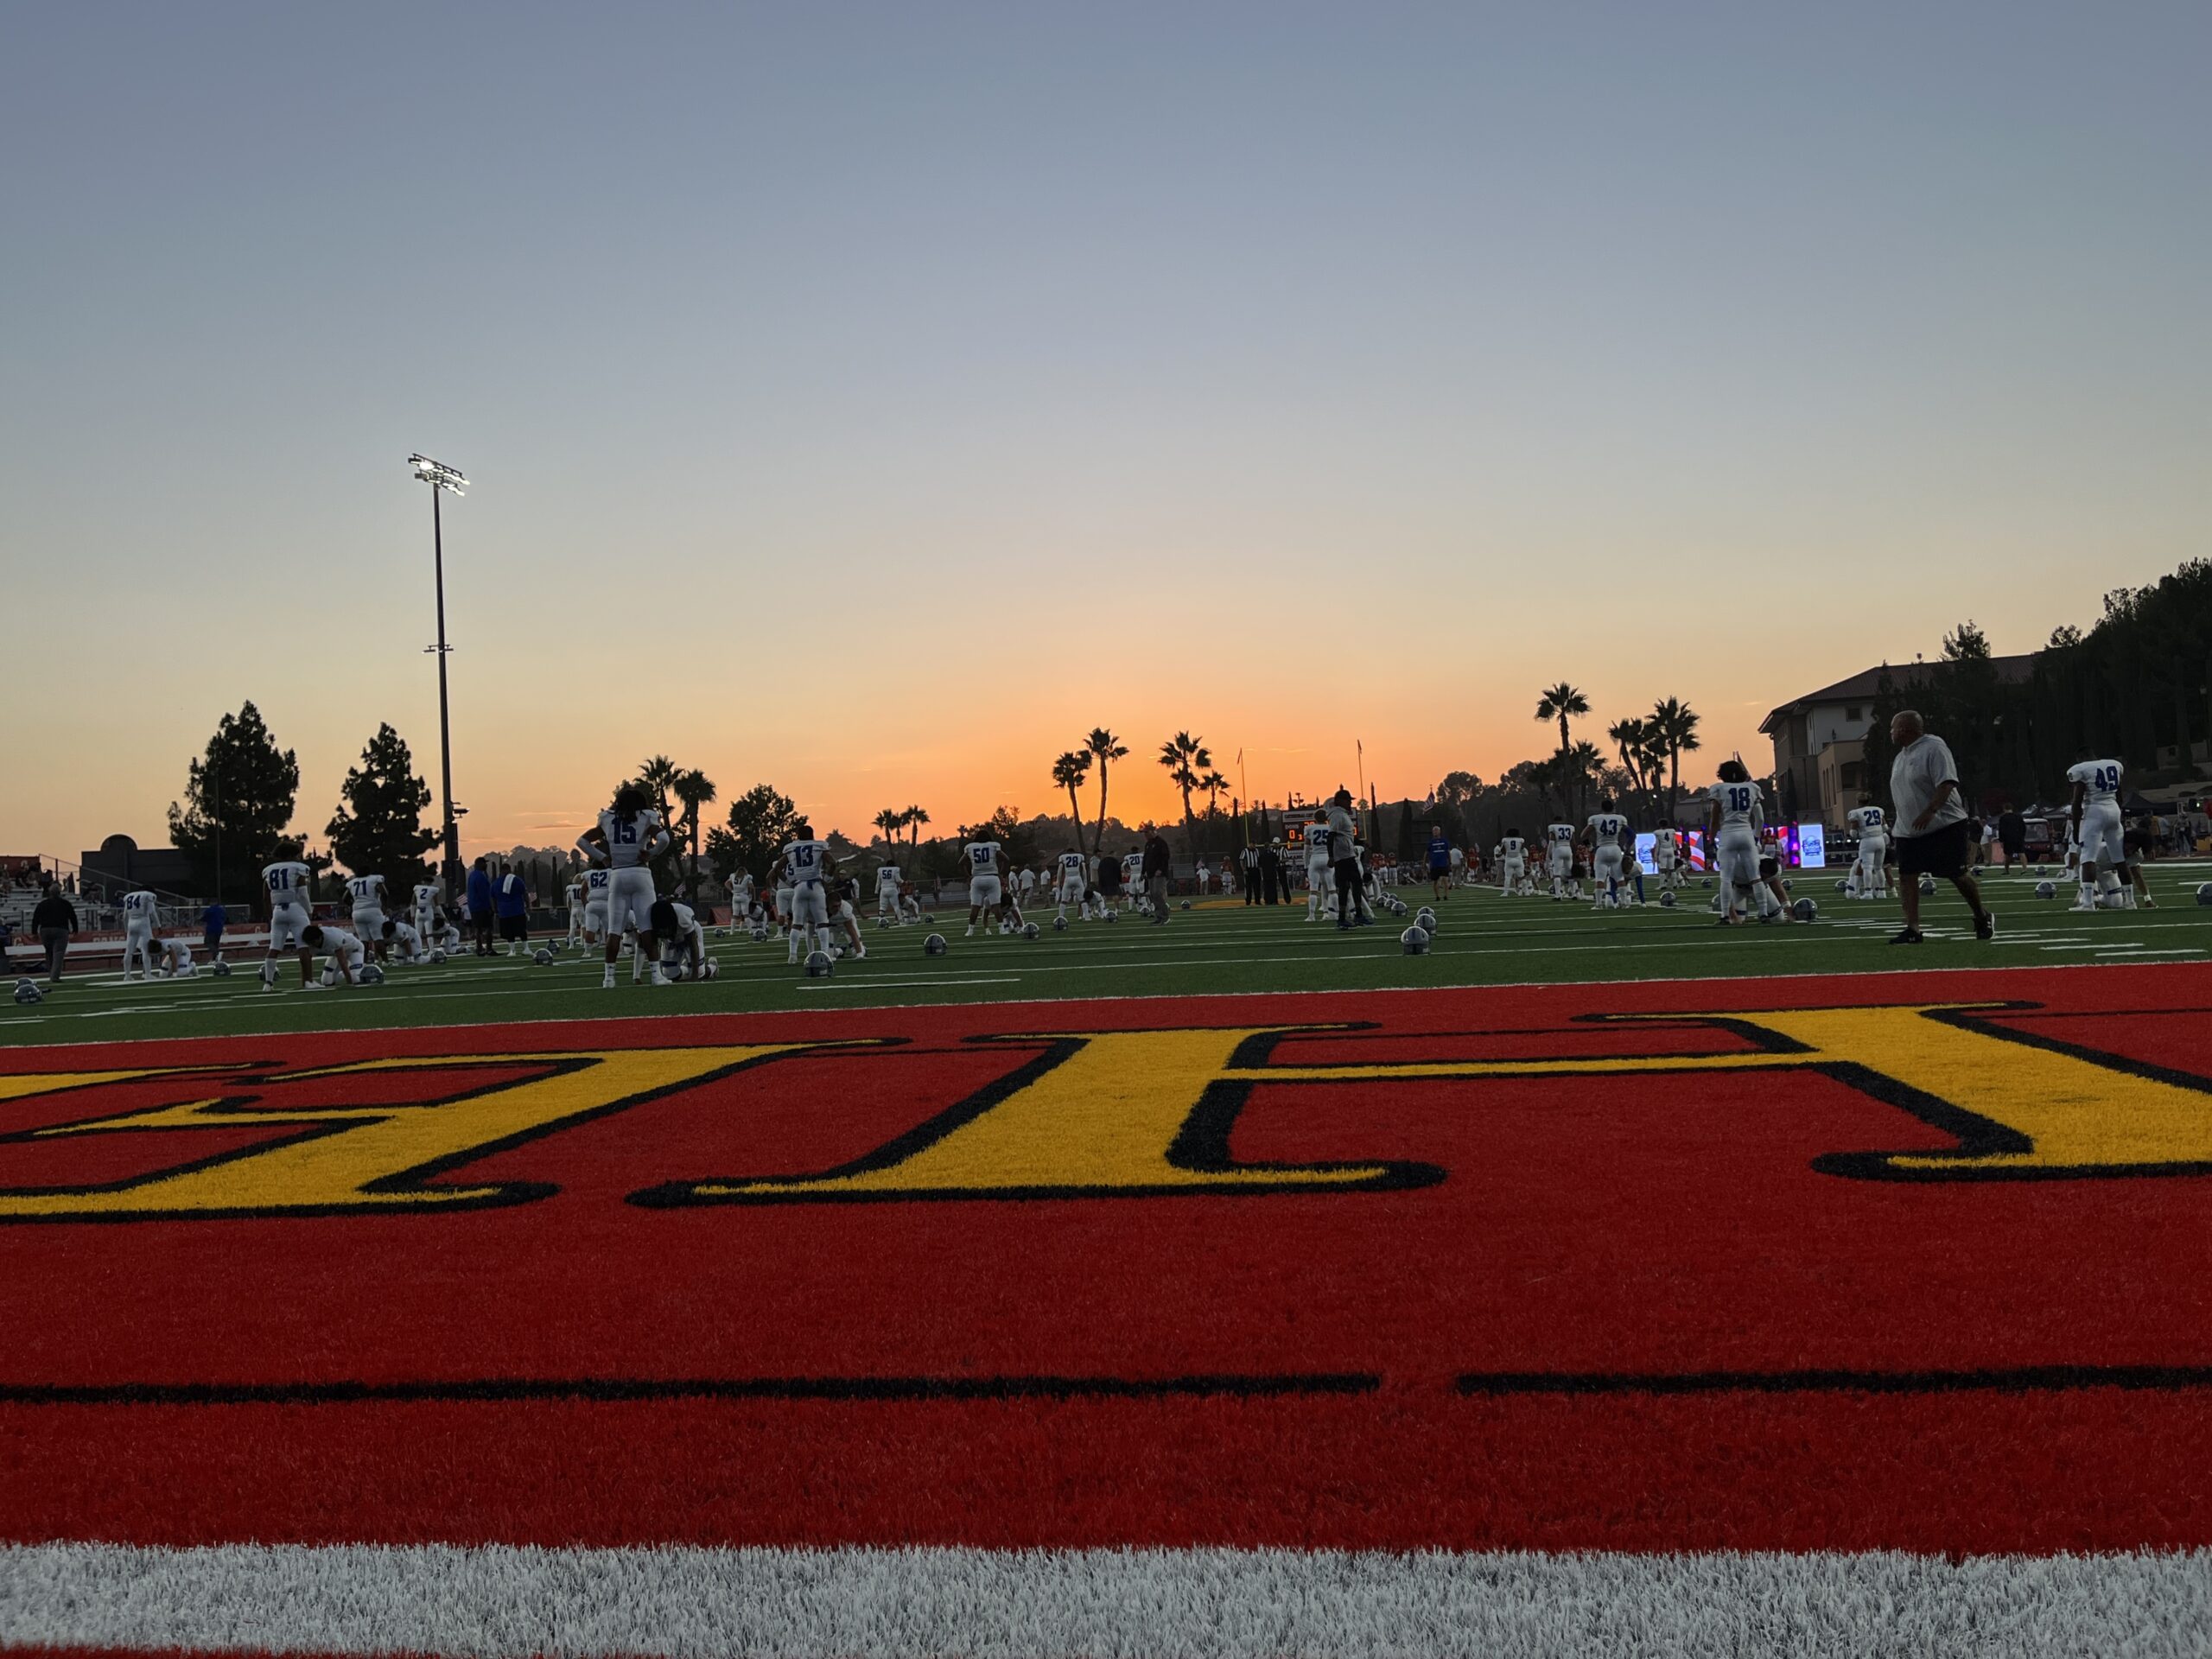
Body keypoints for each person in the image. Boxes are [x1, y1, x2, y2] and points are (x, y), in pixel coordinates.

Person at [1888, 709, 1994, 944]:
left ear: (1905, 729)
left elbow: (1946, 783)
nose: (1891, 733)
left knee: (1956, 874)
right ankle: (1913, 929)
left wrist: (1930, 810)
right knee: (1907, 876)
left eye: (1893, 728)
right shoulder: (1901, 756)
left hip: (1943, 824)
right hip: (1908, 829)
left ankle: (1981, 915)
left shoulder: (1934, 747)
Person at [575, 784, 673, 988]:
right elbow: (664, 838)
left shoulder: (607, 818)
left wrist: (603, 858)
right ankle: (656, 975)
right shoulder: (647, 816)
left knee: (614, 930)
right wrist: (652, 853)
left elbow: (582, 841)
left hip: (617, 875)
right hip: (640, 873)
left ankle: (609, 979)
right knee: (646, 927)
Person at [1704, 762, 1767, 925]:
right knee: (1755, 877)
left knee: (1726, 878)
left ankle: (1725, 915)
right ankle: (1764, 913)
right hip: (1746, 832)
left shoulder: (1719, 789)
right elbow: (1760, 818)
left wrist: (1711, 838)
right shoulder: (1752, 788)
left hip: (1728, 833)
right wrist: (1756, 837)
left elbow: (1715, 817)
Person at [2066, 753, 2128, 912]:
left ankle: (2088, 903)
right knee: (2120, 859)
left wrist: (2076, 828)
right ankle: (2130, 901)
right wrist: (2120, 815)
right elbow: (2120, 794)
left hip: (2095, 811)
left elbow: (2077, 802)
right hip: (2113, 808)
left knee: (2087, 858)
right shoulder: (2113, 764)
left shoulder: (2080, 770)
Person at [781, 820, 845, 963]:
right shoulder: (818, 846)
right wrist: (827, 878)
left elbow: (777, 869)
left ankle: (792, 955)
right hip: (815, 885)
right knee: (822, 923)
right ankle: (824, 953)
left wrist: (790, 882)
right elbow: (833, 863)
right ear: (812, 835)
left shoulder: (791, 848)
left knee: (797, 923)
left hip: (799, 887)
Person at [262, 855, 315, 991]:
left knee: (274, 948)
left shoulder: (269, 870)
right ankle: (308, 982)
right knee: (303, 947)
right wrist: (309, 910)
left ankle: (268, 983)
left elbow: (265, 897)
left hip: (278, 909)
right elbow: (303, 893)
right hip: (296, 908)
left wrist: (270, 914)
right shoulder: (298, 868)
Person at [1326, 788, 1371, 931]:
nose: (1350, 803)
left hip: (1344, 854)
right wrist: (1331, 856)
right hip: (1344, 855)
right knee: (1356, 882)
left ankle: (1343, 918)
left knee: (1345, 886)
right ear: (1340, 801)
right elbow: (1331, 836)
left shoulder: (1341, 814)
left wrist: (1362, 843)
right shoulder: (1338, 815)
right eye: (1347, 800)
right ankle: (1357, 914)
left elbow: (1345, 835)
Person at [963, 831, 1014, 939]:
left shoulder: (971, 847)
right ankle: (1001, 929)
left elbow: (961, 862)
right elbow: (1006, 859)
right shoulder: (993, 846)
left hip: (976, 879)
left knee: (975, 907)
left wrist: (968, 875)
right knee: (996, 906)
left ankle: (970, 931)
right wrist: (1000, 873)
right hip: (992, 877)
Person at [1584, 800, 1632, 911]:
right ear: (1613, 808)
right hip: (1615, 849)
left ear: (1602, 808)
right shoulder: (1620, 818)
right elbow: (1632, 834)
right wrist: (1626, 846)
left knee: (1600, 878)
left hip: (1601, 849)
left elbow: (1583, 835)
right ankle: (1624, 903)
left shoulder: (1595, 818)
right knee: (1620, 877)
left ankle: (1598, 904)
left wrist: (1589, 846)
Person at [31, 884, 77, 986]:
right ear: (59, 893)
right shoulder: (65, 904)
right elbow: (73, 916)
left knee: (49, 952)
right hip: (61, 930)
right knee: (59, 953)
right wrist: (75, 930)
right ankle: (54, 976)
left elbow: (36, 918)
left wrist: (34, 932)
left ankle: (50, 971)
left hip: (45, 930)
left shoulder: (42, 904)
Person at [298, 921, 365, 988]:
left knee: (355, 979)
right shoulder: (307, 945)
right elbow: (305, 962)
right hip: (335, 954)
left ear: (320, 937)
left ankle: (366, 970)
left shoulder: (333, 938)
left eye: (313, 942)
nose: (312, 945)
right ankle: (345, 974)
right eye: (310, 943)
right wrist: (307, 981)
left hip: (353, 950)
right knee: (326, 981)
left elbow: (343, 962)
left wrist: (349, 983)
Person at [1845, 800, 1891, 898]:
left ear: (1858, 802)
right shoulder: (1878, 810)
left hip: (1867, 841)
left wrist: (1858, 834)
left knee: (1867, 868)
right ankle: (1882, 892)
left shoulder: (1856, 813)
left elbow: (1853, 833)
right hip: (1880, 839)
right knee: (1879, 868)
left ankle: (1868, 892)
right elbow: (1886, 827)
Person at [119, 888, 162, 981]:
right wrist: (158, 925)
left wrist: (126, 929)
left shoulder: (129, 896)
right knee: (145, 950)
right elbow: (152, 912)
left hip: (131, 923)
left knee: (129, 951)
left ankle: (127, 975)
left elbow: (124, 916)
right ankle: (148, 974)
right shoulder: (147, 895)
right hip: (143, 922)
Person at [346, 872, 390, 960]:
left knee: (363, 939)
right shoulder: (374, 879)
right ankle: (386, 961)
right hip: (372, 910)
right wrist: (385, 906)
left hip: (357, 912)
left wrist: (354, 905)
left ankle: (364, 962)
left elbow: (345, 898)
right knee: (378, 937)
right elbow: (384, 893)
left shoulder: (352, 882)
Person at [1302, 811, 1333, 922]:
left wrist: (1305, 865)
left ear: (1315, 818)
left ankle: (1312, 915)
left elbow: (1306, 850)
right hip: (1328, 857)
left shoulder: (1310, 828)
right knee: (1332, 889)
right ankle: (1332, 913)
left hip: (1315, 858)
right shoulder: (1331, 827)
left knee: (1313, 889)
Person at [495, 868, 531, 956]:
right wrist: (528, 906)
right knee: (522, 931)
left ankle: (512, 950)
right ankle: (526, 948)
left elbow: (492, 897)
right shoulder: (517, 880)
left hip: (504, 911)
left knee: (509, 932)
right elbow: (525, 893)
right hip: (517, 910)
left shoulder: (496, 882)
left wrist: (495, 910)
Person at [1053, 844, 1090, 925]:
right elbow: (1084, 869)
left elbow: (1060, 870)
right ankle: (1087, 916)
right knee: (1082, 899)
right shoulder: (1079, 856)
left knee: (1063, 900)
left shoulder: (1063, 857)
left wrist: (1058, 882)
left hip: (1068, 878)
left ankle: (1061, 917)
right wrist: (1085, 881)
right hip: (1077, 878)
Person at [1142, 828, 1173, 924]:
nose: (1145, 835)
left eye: (1146, 833)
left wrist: (1160, 869)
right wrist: (1143, 871)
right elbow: (1146, 858)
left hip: (1159, 873)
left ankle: (1165, 916)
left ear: (1152, 832)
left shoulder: (1161, 843)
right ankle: (1159, 916)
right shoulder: (1148, 844)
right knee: (1153, 895)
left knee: (1158, 894)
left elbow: (1165, 857)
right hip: (1151, 873)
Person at [465, 858, 495, 957]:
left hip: (473, 906)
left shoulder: (472, 875)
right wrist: (489, 907)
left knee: (478, 928)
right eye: (484, 863)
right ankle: (489, 949)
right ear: (480, 864)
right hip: (482, 906)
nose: (485, 865)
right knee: (488, 928)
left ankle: (479, 949)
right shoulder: (480, 877)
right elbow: (484, 893)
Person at [1426, 825, 1452, 902]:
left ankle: (1446, 896)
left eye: (1437, 830)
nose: (1435, 832)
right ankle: (1437, 896)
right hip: (1434, 865)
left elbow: (1448, 852)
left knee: (1445, 880)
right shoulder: (1431, 842)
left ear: (1440, 831)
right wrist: (1424, 863)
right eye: (1434, 830)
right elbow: (1426, 853)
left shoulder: (1444, 841)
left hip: (1443, 864)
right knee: (1435, 881)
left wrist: (1450, 862)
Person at [201, 899, 227, 965]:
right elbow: (224, 918)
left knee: (208, 942)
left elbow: (204, 918)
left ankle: (217, 953)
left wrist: (201, 919)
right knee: (215, 943)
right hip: (219, 928)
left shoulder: (209, 910)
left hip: (211, 928)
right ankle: (214, 959)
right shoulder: (222, 910)